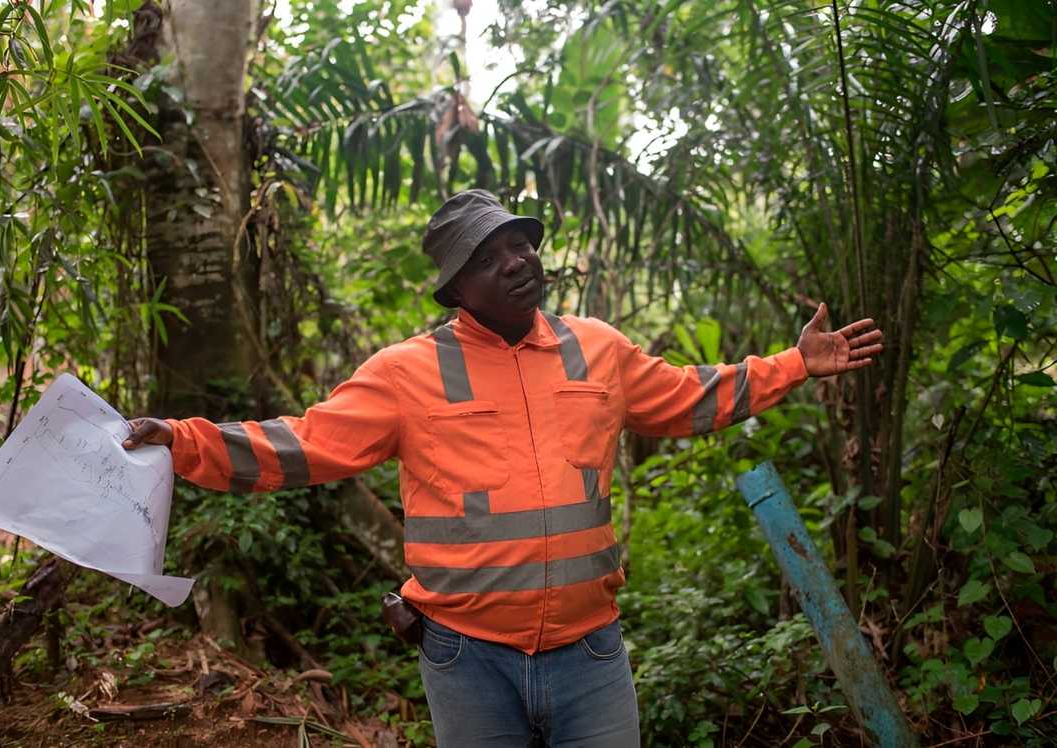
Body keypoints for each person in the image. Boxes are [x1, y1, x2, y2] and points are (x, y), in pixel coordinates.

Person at [124, 189, 883, 746]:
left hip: (591, 653)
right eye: (491, 259)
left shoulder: (598, 348)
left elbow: (691, 398)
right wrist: (183, 441)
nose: (517, 261)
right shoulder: (405, 373)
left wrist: (795, 363)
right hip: (466, 658)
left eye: (520, 244)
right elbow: (303, 445)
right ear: (457, 289)